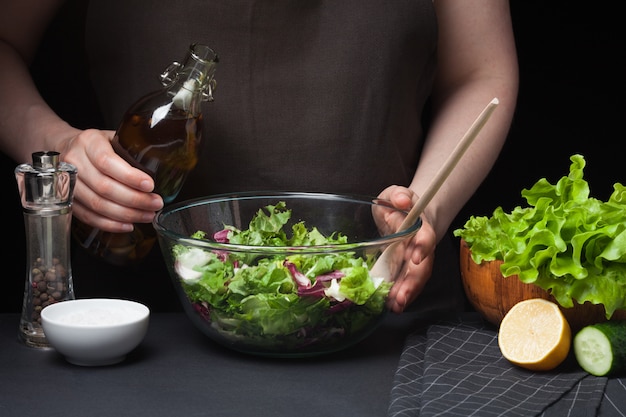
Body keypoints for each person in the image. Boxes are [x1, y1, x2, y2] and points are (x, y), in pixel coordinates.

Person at [0, 0, 518, 315]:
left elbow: (481, 71)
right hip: (128, 319)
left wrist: (425, 206)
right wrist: (57, 146)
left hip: (374, 310)